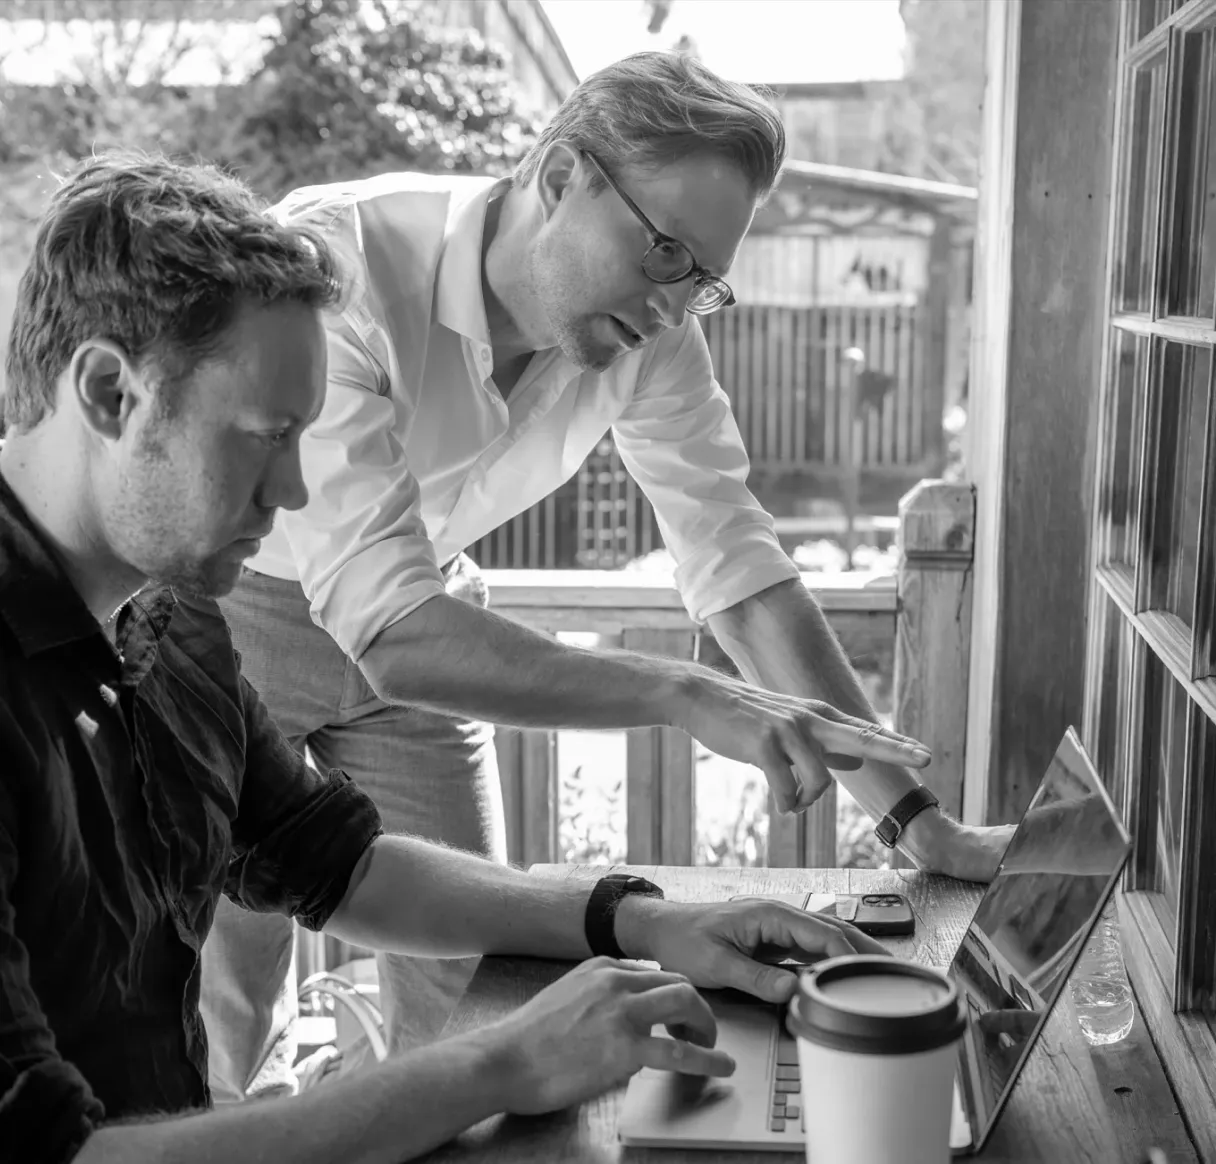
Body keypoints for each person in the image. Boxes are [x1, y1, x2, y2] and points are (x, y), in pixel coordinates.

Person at [0, 151, 894, 1164]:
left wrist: (643, 920)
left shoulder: (170, 623)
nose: (295, 493)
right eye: (266, 437)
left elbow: (342, 865)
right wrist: (498, 1062)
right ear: (110, 392)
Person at [204, 50, 1014, 1095]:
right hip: (238, 611)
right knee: (226, 995)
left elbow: (737, 564)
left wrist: (918, 823)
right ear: (561, 176)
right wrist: (684, 692)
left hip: (427, 602)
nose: (675, 307)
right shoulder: (339, 269)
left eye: (702, 280)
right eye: (664, 252)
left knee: (474, 976)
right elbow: (393, 634)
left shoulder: (652, 336)